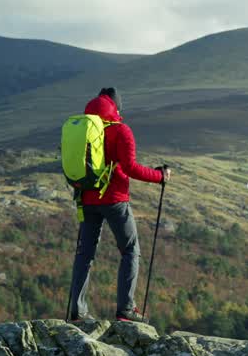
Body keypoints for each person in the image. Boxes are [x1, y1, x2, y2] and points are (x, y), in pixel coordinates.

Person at [67, 87, 172, 323]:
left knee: (85, 254)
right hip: (115, 200)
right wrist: (159, 176)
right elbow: (130, 168)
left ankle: (77, 312)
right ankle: (125, 310)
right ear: (116, 107)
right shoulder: (121, 130)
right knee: (130, 250)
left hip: (86, 199)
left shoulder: (82, 131)